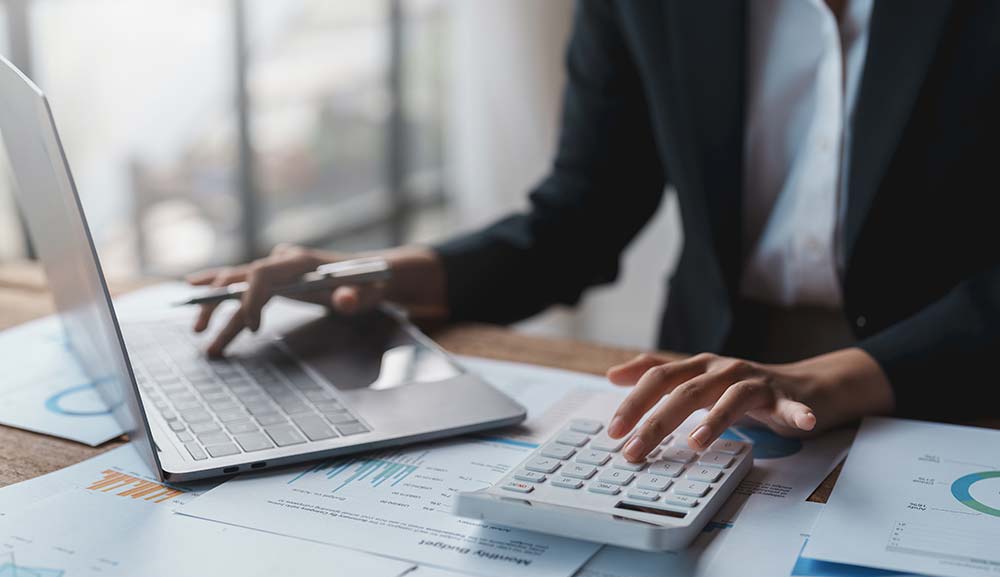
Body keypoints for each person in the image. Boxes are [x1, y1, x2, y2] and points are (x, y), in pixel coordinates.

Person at [189, 0, 1000, 464]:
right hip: (711, 391)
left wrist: (827, 379)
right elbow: (580, 216)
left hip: (960, 382)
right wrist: (371, 273)